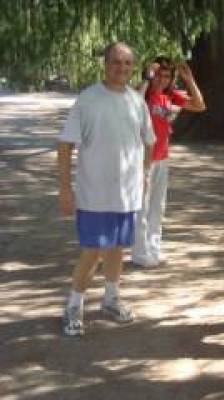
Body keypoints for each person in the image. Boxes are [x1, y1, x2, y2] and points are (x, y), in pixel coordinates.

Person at [58, 42, 155, 336]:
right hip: (94, 194)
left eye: (127, 63)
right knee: (93, 252)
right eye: (116, 62)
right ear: (105, 64)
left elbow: (148, 140)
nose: (121, 68)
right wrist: (65, 189)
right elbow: (65, 145)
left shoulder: (136, 101)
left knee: (117, 249)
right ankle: (74, 306)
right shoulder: (88, 99)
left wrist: (144, 174)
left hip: (126, 194)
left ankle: (111, 299)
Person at [132, 57, 205, 267]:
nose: (163, 80)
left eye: (167, 76)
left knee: (158, 206)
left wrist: (189, 80)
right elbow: (133, 104)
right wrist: (147, 78)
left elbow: (199, 105)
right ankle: (140, 253)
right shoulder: (143, 93)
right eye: (159, 75)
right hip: (143, 159)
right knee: (142, 207)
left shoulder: (169, 96)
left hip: (163, 158)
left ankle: (154, 249)